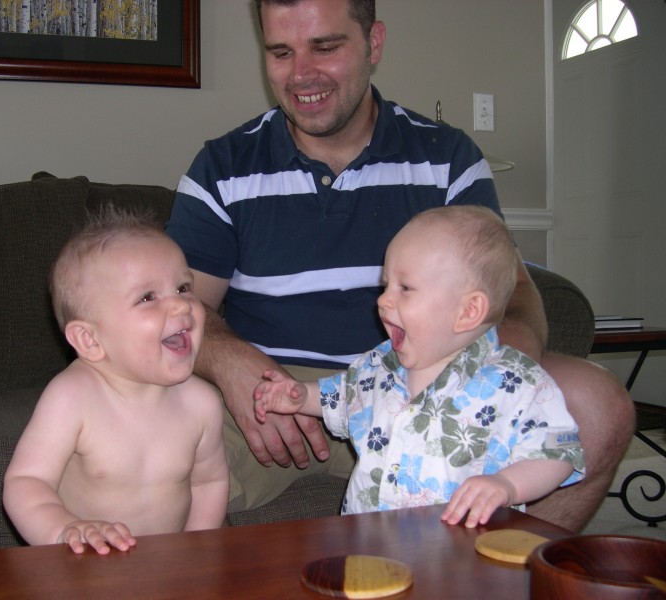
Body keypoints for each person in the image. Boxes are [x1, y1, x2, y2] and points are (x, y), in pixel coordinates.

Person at [165, 0, 633, 531]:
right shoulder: (222, 168)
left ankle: (504, 575)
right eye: (280, 51)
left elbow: (515, 290)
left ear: (374, 44)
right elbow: (177, 310)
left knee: (597, 405)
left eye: (326, 46)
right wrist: (229, 361)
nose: (301, 74)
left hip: (426, 383)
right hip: (274, 397)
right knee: (122, 443)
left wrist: (501, 355)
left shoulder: (447, 159)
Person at [254, 206, 585, 527]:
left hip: (460, 558)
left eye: (405, 288)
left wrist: (508, 486)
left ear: (468, 311)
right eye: (386, 285)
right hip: (368, 543)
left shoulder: (516, 382)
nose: (383, 300)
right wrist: (299, 397)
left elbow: (556, 453)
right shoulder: (379, 367)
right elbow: (338, 397)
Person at [3, 207, 229, 555]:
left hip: (168, 570)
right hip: (85, 570)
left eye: (183, 288)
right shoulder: (72, 397)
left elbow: (209, 481)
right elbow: (25, 482)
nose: (182, 306)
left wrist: (197, 546)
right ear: (90, 341)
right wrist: (64, 530)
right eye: (147, 297)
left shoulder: (202, 404)